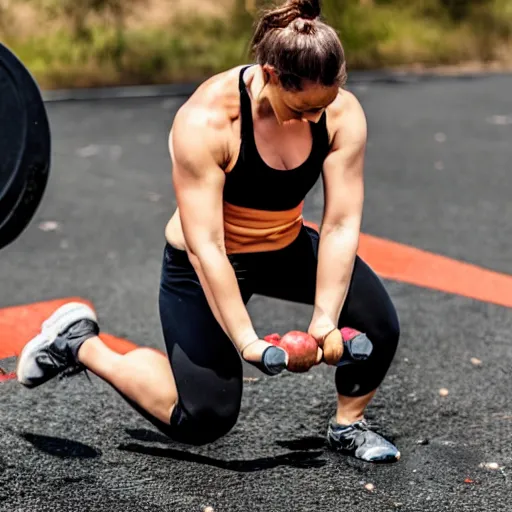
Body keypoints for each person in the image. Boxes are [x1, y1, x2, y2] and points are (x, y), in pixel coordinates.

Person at [16, 0, 401, 463]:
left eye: (325, 105)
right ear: (271, 75)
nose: (315, 119)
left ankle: (348, 425)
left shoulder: (340, 112)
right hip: (207, 261)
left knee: (379, 322)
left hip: (284, 245)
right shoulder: (207, 121)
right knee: (205, 417)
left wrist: (325, 317)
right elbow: (207, 247)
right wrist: (247, 341)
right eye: (302, 110)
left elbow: (340, 223)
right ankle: (80, 342)